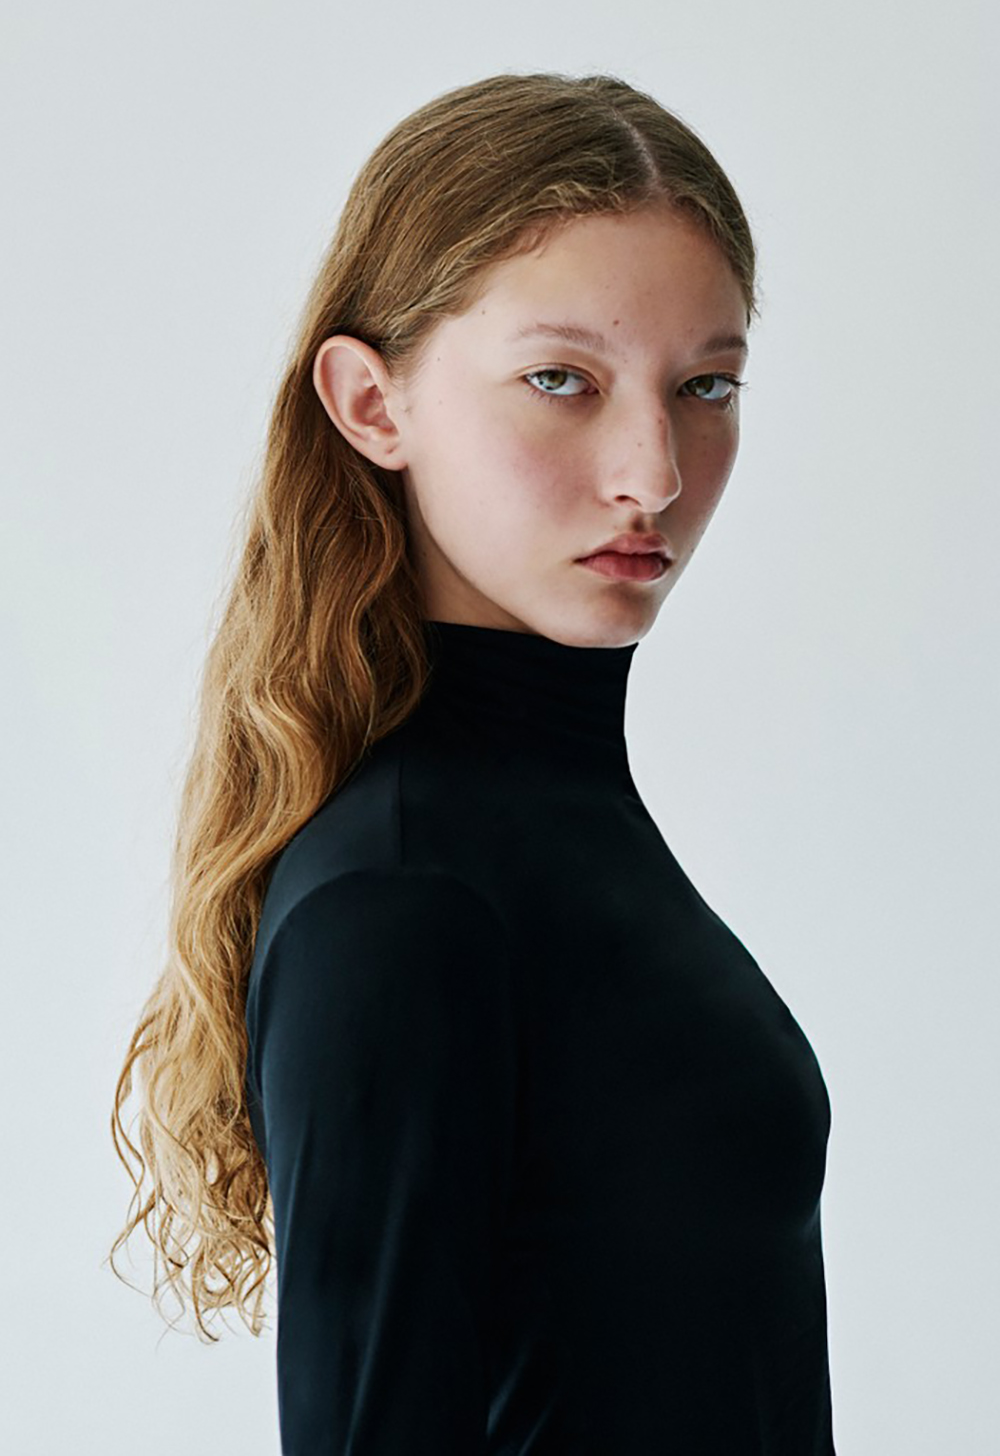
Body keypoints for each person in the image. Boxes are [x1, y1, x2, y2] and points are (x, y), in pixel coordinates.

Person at [109, 71, 836, 1453]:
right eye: (562, 380)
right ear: (371, 403)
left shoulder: (537, 822)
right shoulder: (404, 899)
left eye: (706, 385)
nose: (655, 473)